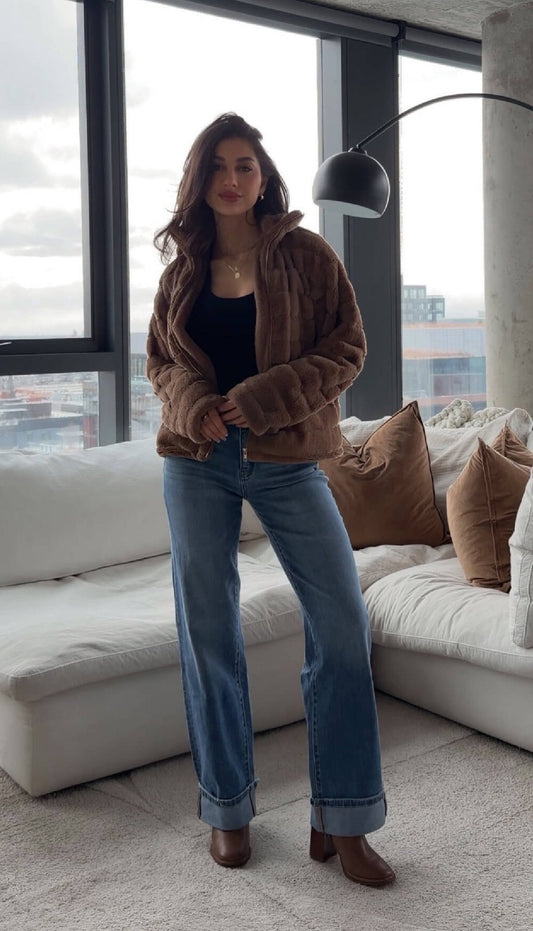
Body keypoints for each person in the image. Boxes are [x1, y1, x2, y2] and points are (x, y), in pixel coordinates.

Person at [146, 113, 395, 887]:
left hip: (288, 461)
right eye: (218, 164)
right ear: (200, 179)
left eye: (245, 164)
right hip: (196, 461)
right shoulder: (182, 268)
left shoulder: (306, 255)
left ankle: (343, 816)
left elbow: (347, 346)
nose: (232, 177)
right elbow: (158, 358)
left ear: (263, 175)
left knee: (341, 624)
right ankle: (227, 808)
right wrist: (194, 402)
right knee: (209, 632)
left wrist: (265, 397)